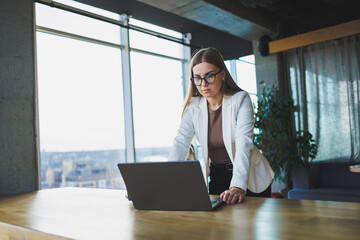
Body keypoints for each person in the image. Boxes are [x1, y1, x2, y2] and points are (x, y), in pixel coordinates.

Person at [168, 47, 274, 204]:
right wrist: (163, 180)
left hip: (249, 175)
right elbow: (180, 143)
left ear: (222, 74)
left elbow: (243, 142)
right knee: (218, 227)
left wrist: (237, 186)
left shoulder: (241, 99)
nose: (203, 84)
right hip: (217, 174)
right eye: (197, 78)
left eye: (209, 76)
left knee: (247, 227)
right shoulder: (193, 107)